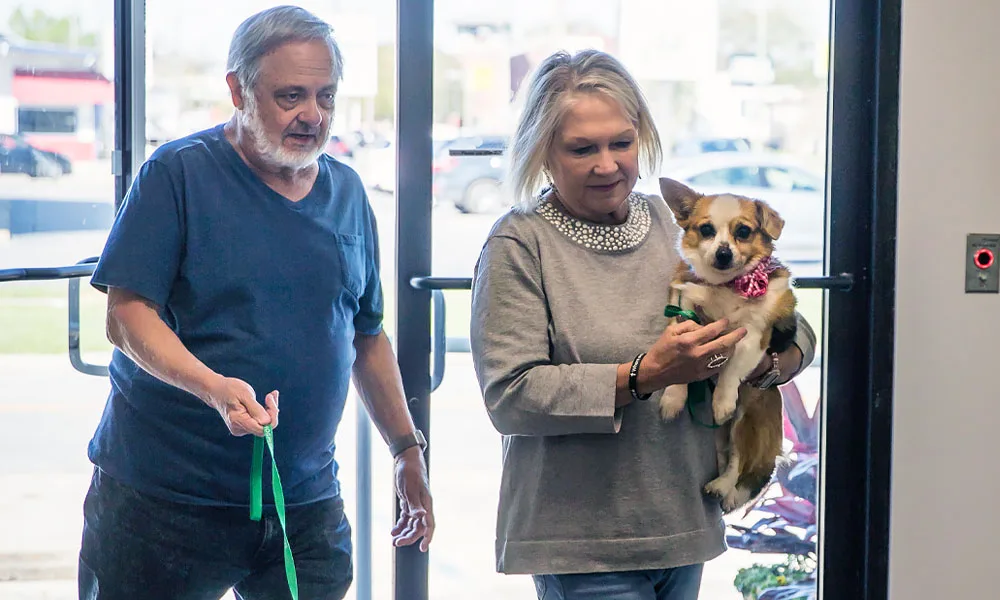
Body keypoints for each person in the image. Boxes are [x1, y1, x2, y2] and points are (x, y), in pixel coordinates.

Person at [78, 6, 434, 600]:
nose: (312, 115)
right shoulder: (176, 174)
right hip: (164, 502)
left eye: (326, 96)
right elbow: (126, 315)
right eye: (291, 95)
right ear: (238, 89)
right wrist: (213, 388)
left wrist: (405, 449)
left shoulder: (347, 192)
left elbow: (366, 336)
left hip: (303, 502)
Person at [470, 49, 816, 600]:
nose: (607, 164)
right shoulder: (521, 244)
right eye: (582, 148)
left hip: (685, 523)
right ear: (542, 152)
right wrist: (642, 375)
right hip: (583, 541)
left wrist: (771, 363)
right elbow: (509, 396)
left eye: (621, 143)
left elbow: (788, 321)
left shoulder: (685, 226)